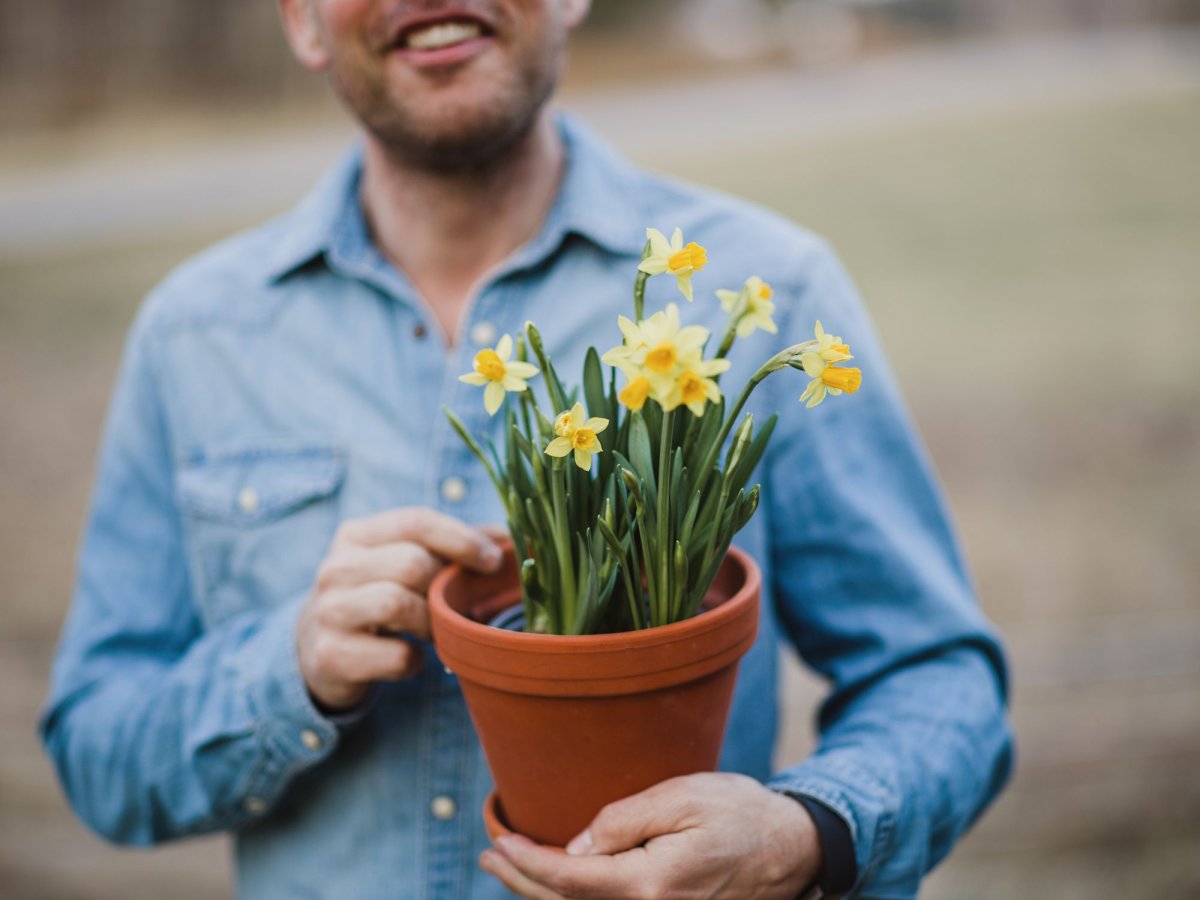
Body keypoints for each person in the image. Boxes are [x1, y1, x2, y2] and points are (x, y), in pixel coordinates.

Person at [40, 1, 1013, 897]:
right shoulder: (195, 333)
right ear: (301, 19)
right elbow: (97, 750)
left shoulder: (766, 292)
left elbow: (940, 679)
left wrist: (801, 834)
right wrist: (284, 670)